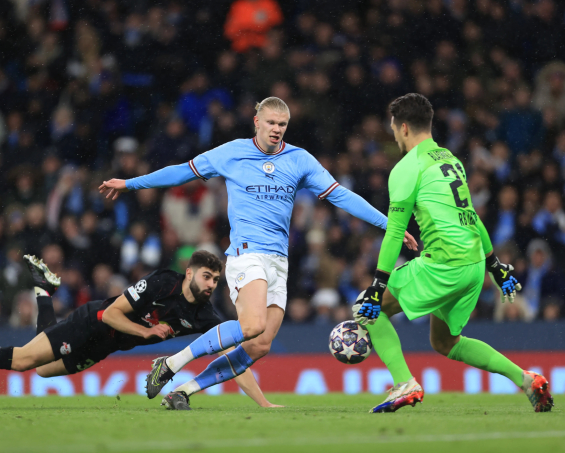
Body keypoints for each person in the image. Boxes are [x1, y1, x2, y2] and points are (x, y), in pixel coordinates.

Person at [99, 97, 417, 409]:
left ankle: (184, 391)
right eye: (271, 123)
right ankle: (171, 362)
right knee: (251, 325)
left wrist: (388, 224)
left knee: (259, 344)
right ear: (257, 122)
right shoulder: (232, 153)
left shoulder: (300, 160)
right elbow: (183, 171)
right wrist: (131, 184)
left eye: (282, 124)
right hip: (246, 254)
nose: (276, 129)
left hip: (279, 260)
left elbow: (341, 196)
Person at [352, 93, 554, 413]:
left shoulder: (407, 167)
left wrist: (378, 285)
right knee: (445, 343)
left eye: (393, 129)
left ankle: (404, 383)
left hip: (445, 263)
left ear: (403, 127)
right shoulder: (450, 159)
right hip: (473, 265)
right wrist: (495, 266)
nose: (393, 135)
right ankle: (526, 379)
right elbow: (471, 215)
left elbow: (394, 231)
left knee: (365, 308)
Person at [0, 251, 279, 408]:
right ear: (191, 273)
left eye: (217, 279)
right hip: (91, 323)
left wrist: (261, 402)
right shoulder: (163, 282)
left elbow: (230, 357)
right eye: (208, 276)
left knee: (43, 367)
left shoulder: (204, 317)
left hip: (105, 348)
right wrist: (147, 334)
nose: (212, 284)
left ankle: (44, 292)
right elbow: (112, 314)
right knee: (21, 361)